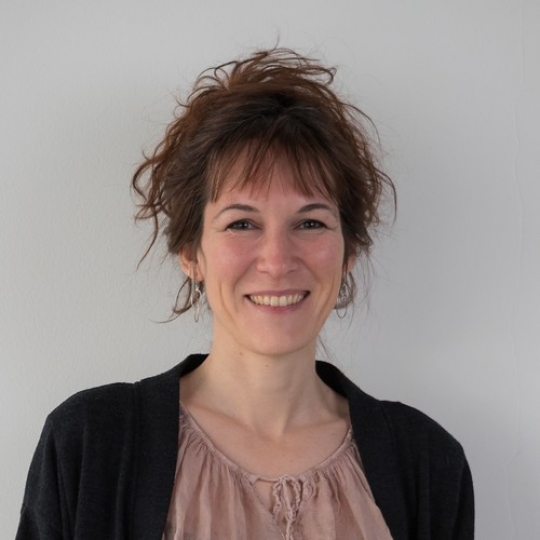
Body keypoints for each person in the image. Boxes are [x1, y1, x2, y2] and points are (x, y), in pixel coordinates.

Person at [16, 48, 474, 540]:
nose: (277, 260)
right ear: (190, 251)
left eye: (310, 223)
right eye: (241, 223)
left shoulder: (429, 463)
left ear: (349, 252)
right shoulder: (89, 443)